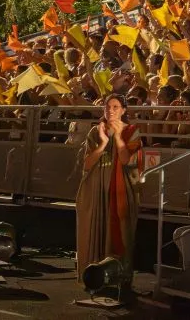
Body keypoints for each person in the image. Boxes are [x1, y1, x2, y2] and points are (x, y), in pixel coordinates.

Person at [75, 94, 143, 288]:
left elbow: (127, 162)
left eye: (115, 107)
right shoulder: (95, 132)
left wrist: (119, 138)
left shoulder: (132, 131)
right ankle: (94, 278)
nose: (111, 111)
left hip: (120, 191)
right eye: (107, 107)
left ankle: (119, 279)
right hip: (96, 189)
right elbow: (87, 164)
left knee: (121, 234)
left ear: (123, 110)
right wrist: (104, 143)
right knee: (94, 230)